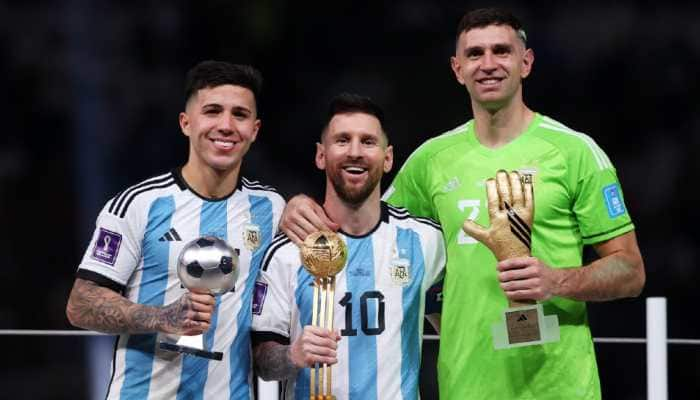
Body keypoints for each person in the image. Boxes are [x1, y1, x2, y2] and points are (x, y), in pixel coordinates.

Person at [279, 8, 645, 400]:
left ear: (526, 62)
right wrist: (298, 207)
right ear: (457, 68)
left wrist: (557, 280)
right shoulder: (431, 161)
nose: (488, 64)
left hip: (560, 385)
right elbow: (364, 227)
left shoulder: (574, 151)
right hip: (465, 385)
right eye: (474, 54)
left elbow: (630, 272)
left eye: (501, 51)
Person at [66, 60, 285, 399]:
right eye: (212, 111)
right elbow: (80, 304)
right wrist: (162, 317)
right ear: (186, 123)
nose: (226, 125)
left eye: (239, 115)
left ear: (254, 130)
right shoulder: (138, 204)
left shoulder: (272, 208)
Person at [251, 93, 445, 399]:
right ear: (321, 155)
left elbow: (460, 311)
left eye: (368, 141)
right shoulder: (287, 252)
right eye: (342, 140)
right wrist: (293, 354)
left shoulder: (426, 240)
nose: (355, 152)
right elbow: (262, 361)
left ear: (388, 157)